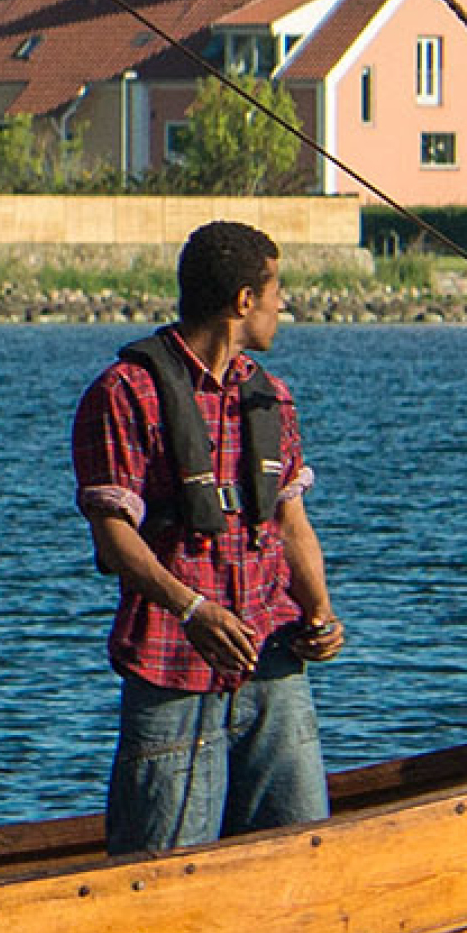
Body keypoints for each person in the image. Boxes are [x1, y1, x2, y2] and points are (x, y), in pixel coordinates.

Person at [76, 219, 346, 856]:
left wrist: (320, 612)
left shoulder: (271, 396)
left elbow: (290, 520)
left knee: (300, 852)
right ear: (244, 301)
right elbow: (114, 537)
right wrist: (191, 609)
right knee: (160, 864)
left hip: (275, 664)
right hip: (172, 668)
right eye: (276, 289)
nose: (284, 305)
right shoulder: (124, 393)